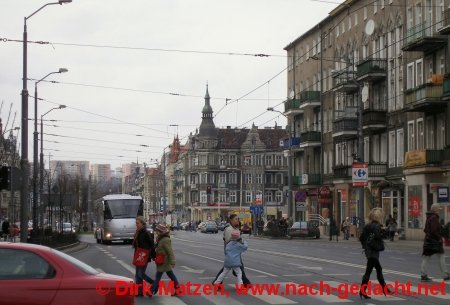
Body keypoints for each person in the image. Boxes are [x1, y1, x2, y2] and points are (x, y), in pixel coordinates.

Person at [359, 208, 391, 299]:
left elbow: (361, 238)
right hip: (373, 251)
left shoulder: (367, 225)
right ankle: (384, 289)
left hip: (368, 251)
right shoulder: (377, 226)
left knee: (373, 269)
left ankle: (363, 291)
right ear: (378, 217)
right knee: (373, 270)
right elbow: (378, 236)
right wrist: (384, 231)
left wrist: (365, 246)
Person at [213, 214, 251, 285]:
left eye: (238, 219)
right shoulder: (229, 229)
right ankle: (245, 283)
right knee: (238, 268)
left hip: (235, 252)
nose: (237, 220)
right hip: (232, 252)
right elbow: (228, 241)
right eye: (236, 219)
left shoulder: (235, 228)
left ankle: (217, 282)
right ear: (231, 220)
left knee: (227, 269)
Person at [420, 203, 450, 282]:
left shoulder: (429, 217)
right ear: (436, 210)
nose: (439, 211)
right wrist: (439, 238)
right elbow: (433, 230)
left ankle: (423, 275)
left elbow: (426, 230)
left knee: (426, 257)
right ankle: (445, 275)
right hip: (435, 241)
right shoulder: (434, 217)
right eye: (439, 209)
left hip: (428, 241)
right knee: (441, 257)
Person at [151, 224, 180, 296]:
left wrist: (172, 261)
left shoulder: (165, 240)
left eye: (157, 231)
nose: (156, 232)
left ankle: (151, 290)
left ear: (161, 232)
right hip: (161, 260)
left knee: (158, 276)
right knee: (171, 275)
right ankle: (178, 289)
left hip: (164, 261)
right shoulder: (159, 238)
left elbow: (170, 251)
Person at [132, 216, 155, 297]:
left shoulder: (146, 233)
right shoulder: (138, 232)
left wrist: (153, 255)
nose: (136, 225)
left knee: (140, 274)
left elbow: (152, 244)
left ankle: (154, 284)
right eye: (136, 223)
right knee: (137, 275)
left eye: (138, 223)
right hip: (138, 255)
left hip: (144, 256)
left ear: (142, 224)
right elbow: (135, 245)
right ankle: (139, 292)